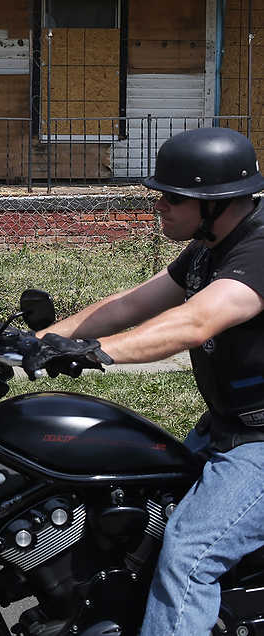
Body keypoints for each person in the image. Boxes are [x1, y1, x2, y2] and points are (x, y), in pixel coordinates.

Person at [36, 127, 264, 636]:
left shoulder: (258, 250)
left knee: (188, 554)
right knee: (135, 514)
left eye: (171, 196)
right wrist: (37, 342)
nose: (158, 203)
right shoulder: (211, 245)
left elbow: (194, 322)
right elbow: (133, 303)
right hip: (225, 428)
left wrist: (97, 354)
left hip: (260, 441)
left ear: (215, 203)